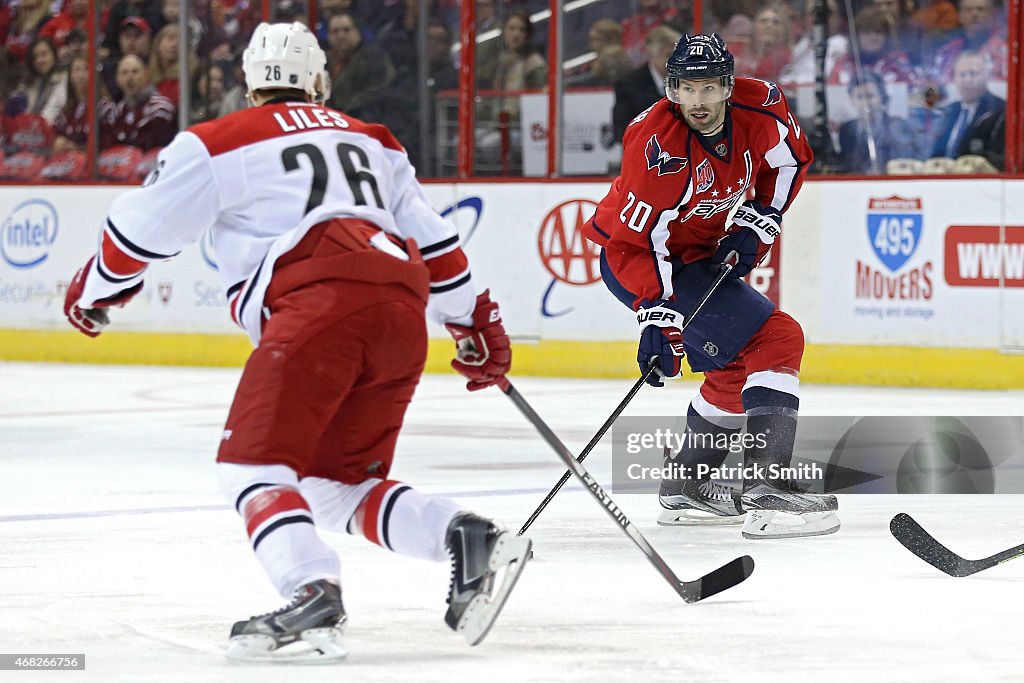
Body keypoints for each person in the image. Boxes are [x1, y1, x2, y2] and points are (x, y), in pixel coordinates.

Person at [62, 22, 530, 661]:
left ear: (249, 86)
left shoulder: (218, 140)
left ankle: (312, 590)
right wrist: (476, 322)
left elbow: (133, 236)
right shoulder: (372, 139)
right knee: (334, 485)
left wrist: (94, 291)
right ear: (319, 81)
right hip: (399, 307)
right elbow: (437, 244)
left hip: (319, 306)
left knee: (249, 469)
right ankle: (463, 535)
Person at [583, 33, 839, 539]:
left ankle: (689, 485)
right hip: (643, 260)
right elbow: (637, 244)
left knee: (736, 365)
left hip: (697, 256)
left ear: (727, 85)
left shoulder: (762, 106)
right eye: (686, 89)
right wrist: (656, 314)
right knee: (777, 338)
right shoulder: (655, 144)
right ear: (672, 89)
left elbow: (790, 162)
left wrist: (760, 219)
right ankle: (771, 489)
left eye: (708, 88)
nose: (697, 102)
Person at [837, 71, 923, 174]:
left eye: (870, 96)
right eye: (859, 97)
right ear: (851, 100)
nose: (866, 103)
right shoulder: (846, 129)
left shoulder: (898, 126)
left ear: (882, 97)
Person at [930, 50, 1005, 159]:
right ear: (954, 78)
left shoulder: (1000, 110)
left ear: (987, 75)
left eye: (973, 73)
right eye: (962, 74)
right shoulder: (949, 111)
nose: (967, 80)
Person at [612, 25, 680, 144]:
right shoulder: (629, 84)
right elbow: (621, 129)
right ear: (651, 55)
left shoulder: (686, 83)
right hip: (643, 152)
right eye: (669, 55)